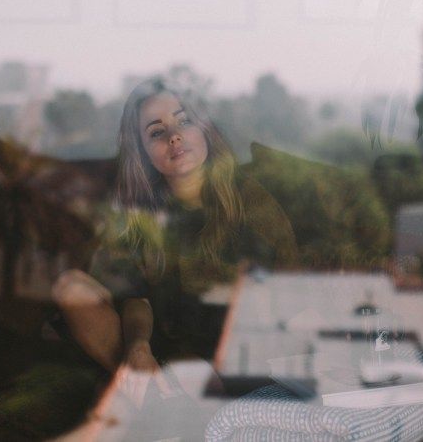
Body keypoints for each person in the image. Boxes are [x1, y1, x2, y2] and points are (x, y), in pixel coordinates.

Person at [51, 77, 297, 382]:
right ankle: (148, 384)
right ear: (142, 151)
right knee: (72, 288)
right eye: (157, 132)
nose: (174, 136)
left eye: (184, 121)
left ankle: (165, 393)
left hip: (234, 348)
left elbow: (281, 288)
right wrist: (139, 347)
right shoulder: (137, 212)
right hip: (159, 348)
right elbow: (135, 298)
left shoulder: (248, 198)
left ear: (204, 129)